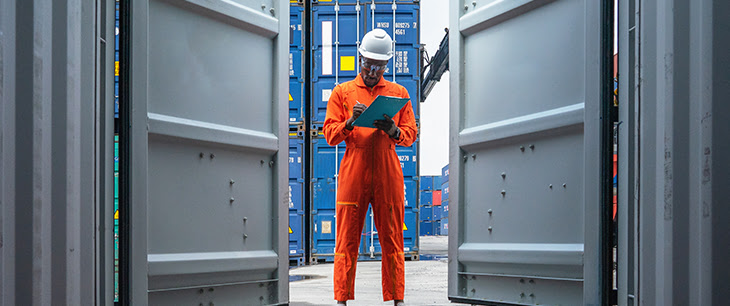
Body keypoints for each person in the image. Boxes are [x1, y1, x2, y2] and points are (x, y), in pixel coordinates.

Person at [323, 28, 418, 306]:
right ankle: (341, 299)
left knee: (392, 239)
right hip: (354, 169)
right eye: (368, 64)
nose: (373, 70)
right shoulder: (343, 93)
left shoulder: (398, 93)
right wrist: (350, 123)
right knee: (346, 239)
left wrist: (393, 130)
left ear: (386, 65)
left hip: (388, 171)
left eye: (379, 65)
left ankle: (397, 298)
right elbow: (329, 134)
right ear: (359, 58)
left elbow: (410, 134)